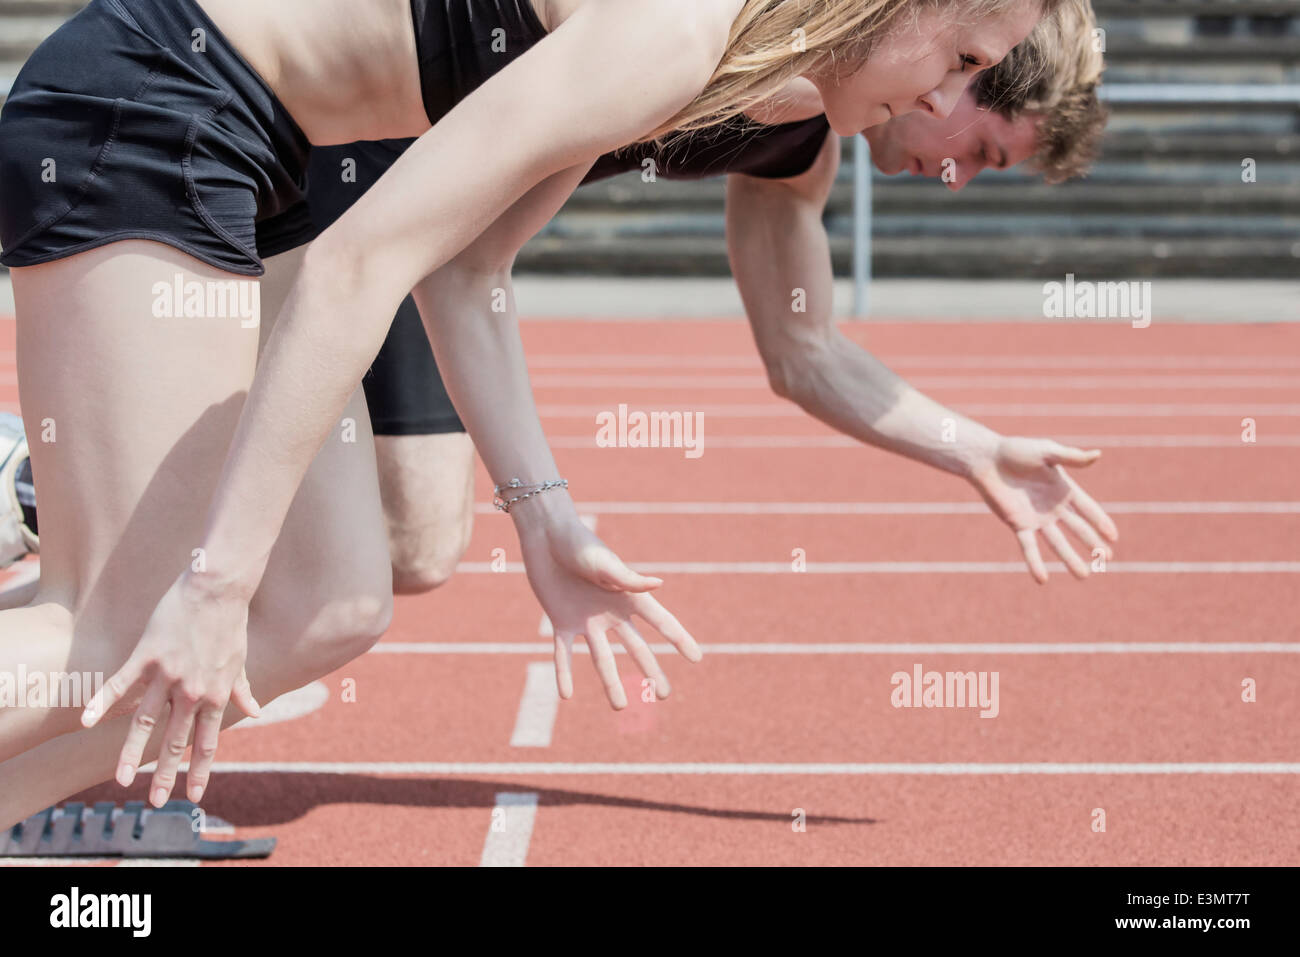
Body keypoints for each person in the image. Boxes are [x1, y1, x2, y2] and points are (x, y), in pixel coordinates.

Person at [0, 0, 1066, 826]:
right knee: (122, 627)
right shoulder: (678, 34)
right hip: (158, 104)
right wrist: (217, 578)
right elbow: (354, 271)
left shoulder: (726, 69)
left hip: (274, 158)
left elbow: (468, 274)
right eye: (963, 60)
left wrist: (544, 513)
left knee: (327, 607)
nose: (940, 98)